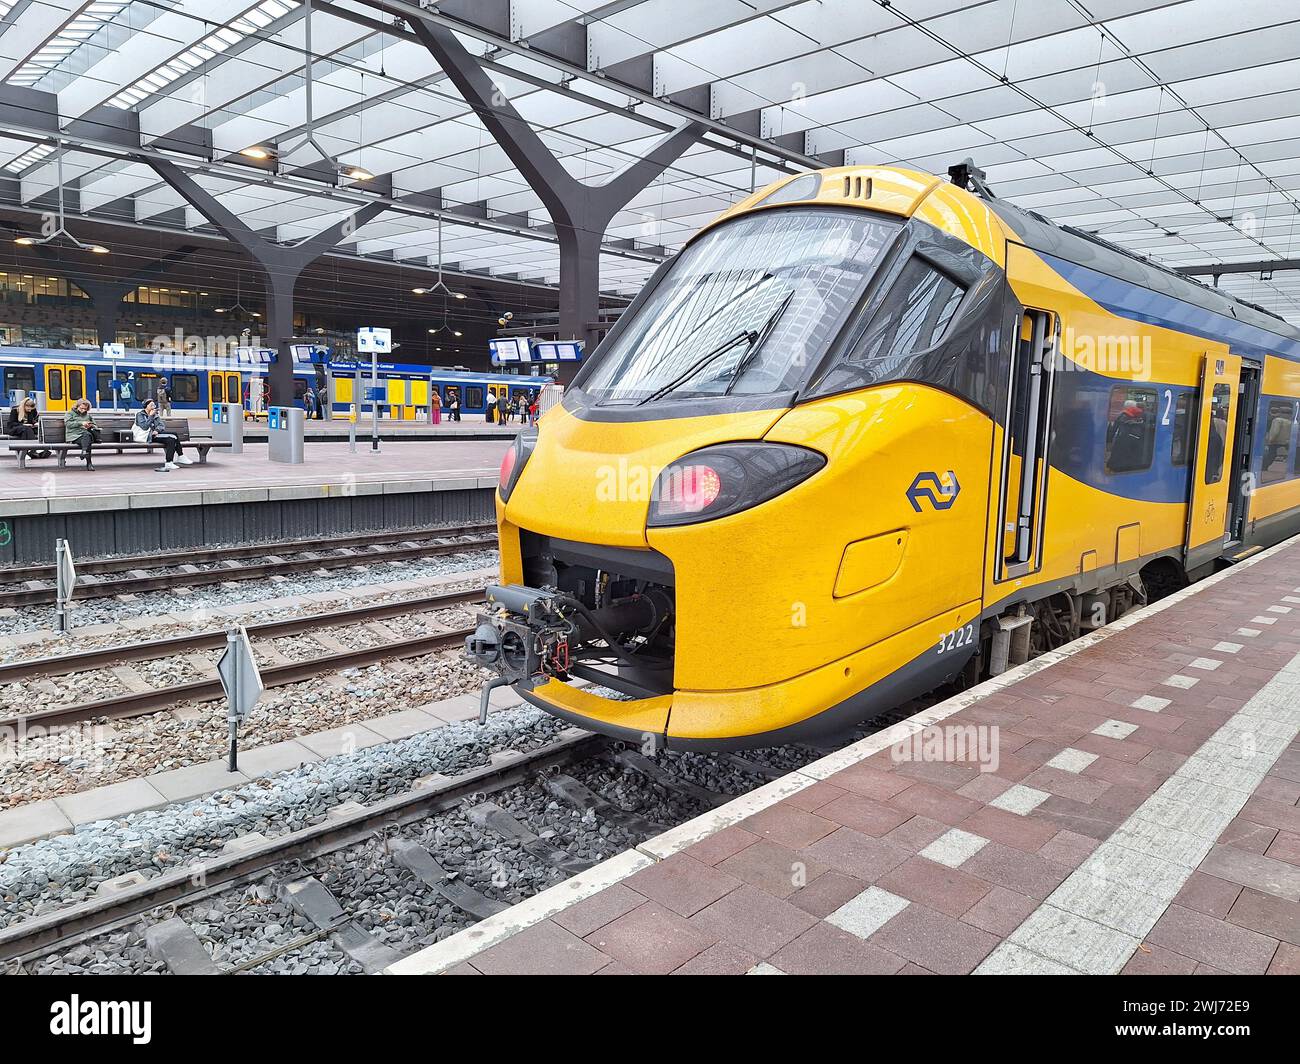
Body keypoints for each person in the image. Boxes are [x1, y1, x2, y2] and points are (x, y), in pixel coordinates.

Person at [134, 399, 193, 472]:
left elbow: (161, 425)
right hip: (147, 436)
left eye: (154, 405)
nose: (153, 407)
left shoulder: (155, 414)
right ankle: (171, 461)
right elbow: (144, 426)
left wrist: (157, 430)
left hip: (156, 434)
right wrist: (150, 416)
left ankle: (179, 457)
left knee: (174, 435)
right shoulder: (140, 415)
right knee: (171, 439)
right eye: (151, 405)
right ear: (146, 406)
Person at [1105, 399, 1148, 473]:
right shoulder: (1127, 418)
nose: (1137, 409)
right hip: (1125, 451)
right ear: (1130, 408)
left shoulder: (1125, 417)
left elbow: (1113, 431)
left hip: (1121, 448)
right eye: (1135, 407)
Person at [65, 398, 101, 469]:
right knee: (88, 440)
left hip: (85, 434)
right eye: (81, 408)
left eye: (85, 409)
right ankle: (89, 463)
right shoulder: (69, 413)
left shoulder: (88, 415)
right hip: (74, 436)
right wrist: (81, 423)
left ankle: (84, 452)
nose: (83, 410)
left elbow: (95, 425)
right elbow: (68, 424)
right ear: (77, 406)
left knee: (87, 436)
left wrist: (90, 425)